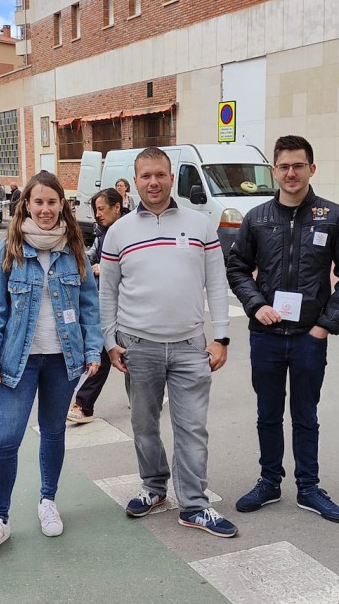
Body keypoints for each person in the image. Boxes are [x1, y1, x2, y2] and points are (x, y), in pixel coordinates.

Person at [99, 147, 237, 538]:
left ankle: (194, 505)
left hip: (191, 346)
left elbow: (216, 283)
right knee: (144, 424)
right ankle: (154, 487)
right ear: (136, 180)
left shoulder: (200, 225)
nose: (154, 183)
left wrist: (221, 336)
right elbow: (107, 292)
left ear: (171, 177)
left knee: (192, 428)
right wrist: (110, 341)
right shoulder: (119, 231)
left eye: (160, 175)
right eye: (146, 176)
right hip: (137, 346)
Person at [226, 135, 339, 523]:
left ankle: (308, 487)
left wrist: (326, 325)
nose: (290, 173)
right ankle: (270, 481)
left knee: (305, 414)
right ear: (274, 171)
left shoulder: (332, 216)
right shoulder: (257, 218)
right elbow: (236, 268)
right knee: (267, 413)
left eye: (298, 166)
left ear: (311, 169)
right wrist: (256, 305)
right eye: (283, 166)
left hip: (308, 338)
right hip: (266, 336)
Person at [0, 171, 102, 559]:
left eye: (52, 202)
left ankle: (48, 500)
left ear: (62, 204)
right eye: (39, 202)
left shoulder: (74, 249)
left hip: (63, 359)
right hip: (18, 361)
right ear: (26, 205)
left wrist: (93, 350)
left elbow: (89, 308)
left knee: (52, 433)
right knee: (6, 439)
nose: (46, 210)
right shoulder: (9, 250)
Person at [67, 188, 128, 424]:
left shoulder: (127, 232)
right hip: (107, 302)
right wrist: (83, 259)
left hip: (126, 304)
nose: (97, 215)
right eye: (95, 210)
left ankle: (83, 404)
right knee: (109, 350)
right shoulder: (103, 232)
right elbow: (94, 253)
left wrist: (105, 269)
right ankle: (83, 404)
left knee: (112, 351)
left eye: (101, 209)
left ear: (117, 207)